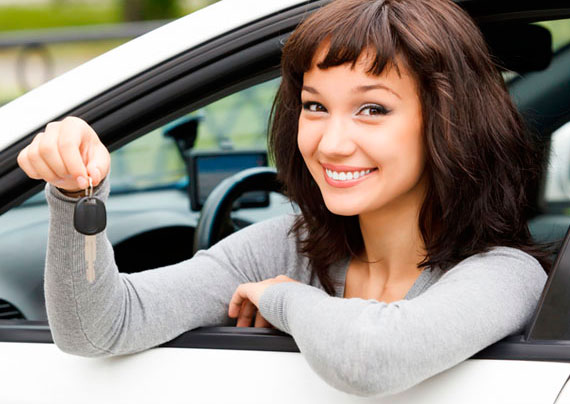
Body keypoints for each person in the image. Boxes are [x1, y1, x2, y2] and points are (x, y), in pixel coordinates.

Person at [16, 0, 550, 397]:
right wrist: (75, 195)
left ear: (447, 122)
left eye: (373, 110)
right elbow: (98, 327)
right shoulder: (282, 248)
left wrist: (284, 299)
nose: (332, 143)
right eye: (315, 107)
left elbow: (375, 358)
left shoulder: (505, 274)